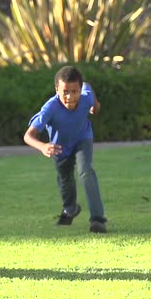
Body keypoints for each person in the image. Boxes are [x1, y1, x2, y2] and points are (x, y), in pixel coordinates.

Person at [23, 66, 108, 233]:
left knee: (86, 171)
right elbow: (28, 136)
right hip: (59, 147)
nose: (70, 97)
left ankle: (97, 220)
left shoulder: (86, 96)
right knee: (65, 180)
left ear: (80, 89)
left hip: (83, 139)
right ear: (57, 90)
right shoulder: (50, 108)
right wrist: (43, 146)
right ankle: (70, 209)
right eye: (65, 92)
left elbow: (94, 103)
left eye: (75, 91)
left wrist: (94, 108)